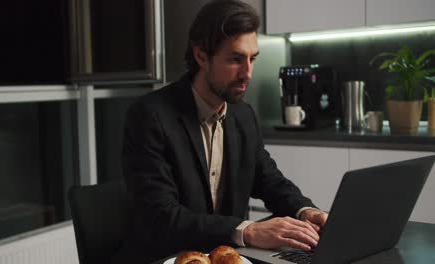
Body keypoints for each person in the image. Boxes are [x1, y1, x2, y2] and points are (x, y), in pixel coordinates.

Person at [114, 1, 328, 263]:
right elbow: (162, 217)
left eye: (252, 59)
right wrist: (247, 231)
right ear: (201, 56)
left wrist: (305, 210)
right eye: (235, 59)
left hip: (223, 257)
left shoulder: (243, 115)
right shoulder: (150, 116)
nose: (247, 73)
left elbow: (269, 179)